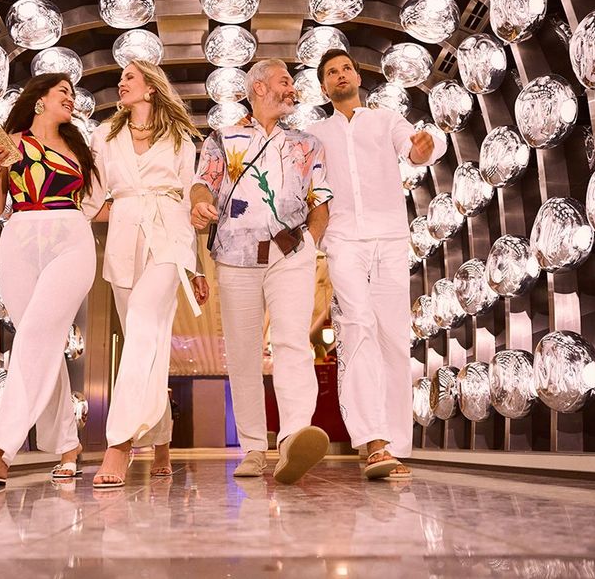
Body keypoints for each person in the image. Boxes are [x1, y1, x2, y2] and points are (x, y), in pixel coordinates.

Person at [0, 72, 100, 484]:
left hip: (71, 239)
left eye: (72, 93)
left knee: (35, 337)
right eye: (63, 91)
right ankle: (69, 445)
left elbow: (96, 203)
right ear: (39, 99)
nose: (70, 98)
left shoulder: (80, 148)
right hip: (19, 239)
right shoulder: (5, 141)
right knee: (42, 344)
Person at [190, 58, 333, 485]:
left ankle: (293, 438)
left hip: (291, 254)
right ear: (258, 88)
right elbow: (203, 182)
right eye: (284, 81)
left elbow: (320, 200)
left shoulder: (307, 144)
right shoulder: (223, 137)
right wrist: (200, 204)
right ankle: (253, 448)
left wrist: (310, 246)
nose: (292, 89)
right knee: (243, 354)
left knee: (292, 343)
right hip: (235, 258)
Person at [307, 49, 446, 480]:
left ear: (356, 77)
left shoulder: (386, 119)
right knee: (357, 327)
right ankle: (372, 441)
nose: (340, 75)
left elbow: (417, 147)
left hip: (390, 238)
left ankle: (394, 445)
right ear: (324, 87)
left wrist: (425, 148)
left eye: (346, 68)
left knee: (393, 338)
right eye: (331, 72)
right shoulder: (315, 133)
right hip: (343, 239)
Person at [83, 60, 209, 489]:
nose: (121, 82)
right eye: (120, 77)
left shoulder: (179, 139)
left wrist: (196, 268)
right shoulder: (104, 135)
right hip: (123, 240)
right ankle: (162, 442)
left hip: (170, 240)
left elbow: (190, 199)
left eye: (129, 77)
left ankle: (118, 444)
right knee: (145, 342)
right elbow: (92, 197)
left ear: (151, 87)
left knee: (140, 326)